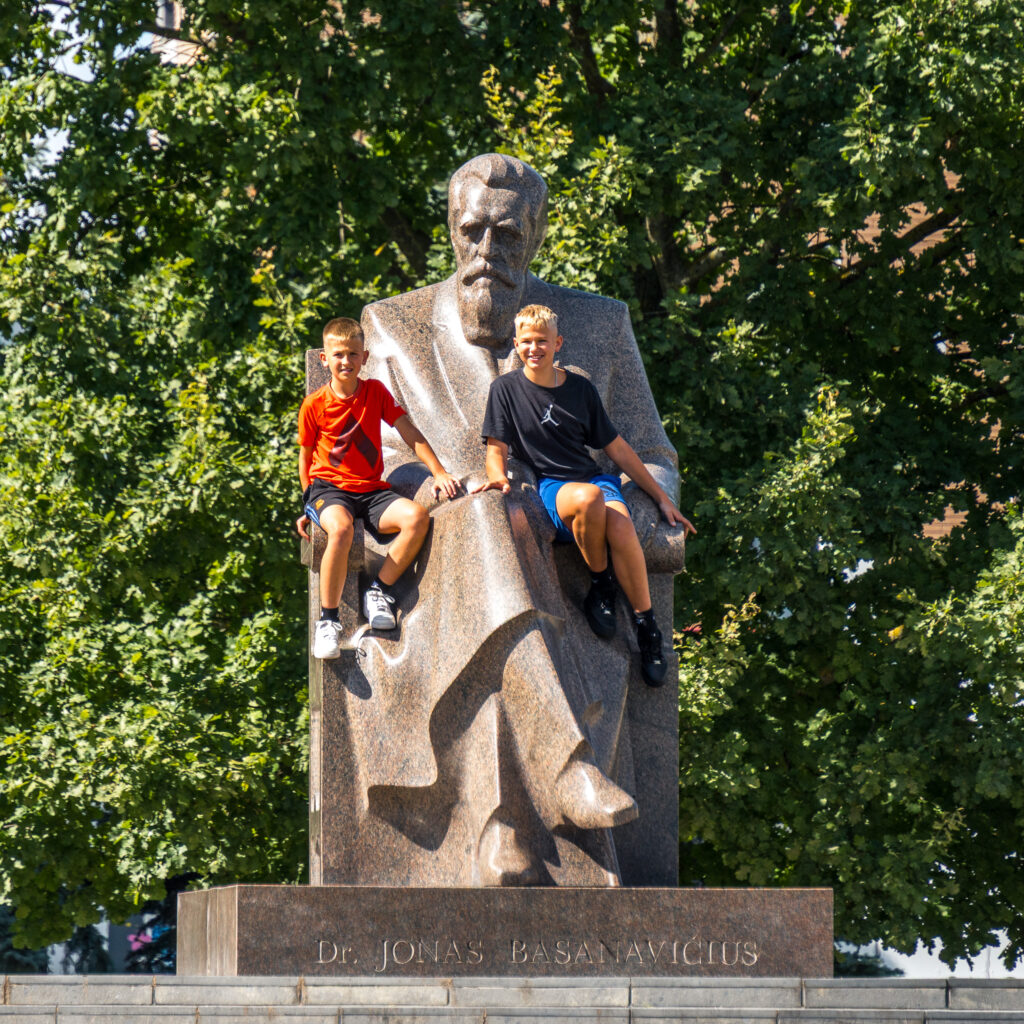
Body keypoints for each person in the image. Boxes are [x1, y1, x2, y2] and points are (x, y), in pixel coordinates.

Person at [316, 154, 688, 889]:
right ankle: (566, 766)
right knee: (488, 517)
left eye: (508, 236)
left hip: (565, 561)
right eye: (473, 232)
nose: (488, 254)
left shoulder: (599, 326)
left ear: (538, 234)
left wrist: (614, 512)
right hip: (438, 561)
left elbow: (655, 462)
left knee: (508, 522)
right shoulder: (390, 327)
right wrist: (447, 494)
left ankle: (506, 831)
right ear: (451, 233)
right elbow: (380, 464)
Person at [476, 304, 696, 687]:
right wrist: (497, 478)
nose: (534, 349)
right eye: (526, 342)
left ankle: (648, 629)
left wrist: (661, 497)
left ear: (557, 343)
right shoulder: (505, 390)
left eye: (542, 341)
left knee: (621, 524)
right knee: (590, 500)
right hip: (551, 487)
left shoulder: (579, 389)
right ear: (515, 344)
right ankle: (601, 583)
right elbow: (496, 449)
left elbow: (618, 450)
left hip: (593, 479)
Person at [295, 316, 459, 659]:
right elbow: (306, 457)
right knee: (340, 529)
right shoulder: (314, 405)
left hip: (370, 490)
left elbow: (408, 432)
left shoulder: (375, 393)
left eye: (353, 354)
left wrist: (440, 472)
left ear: (364, 358)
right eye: (338, 354)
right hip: (330, 490)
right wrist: (307, 504)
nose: (346, 361)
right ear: (325, 359)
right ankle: (328, 621)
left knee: (417, 518)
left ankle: (379, 591)